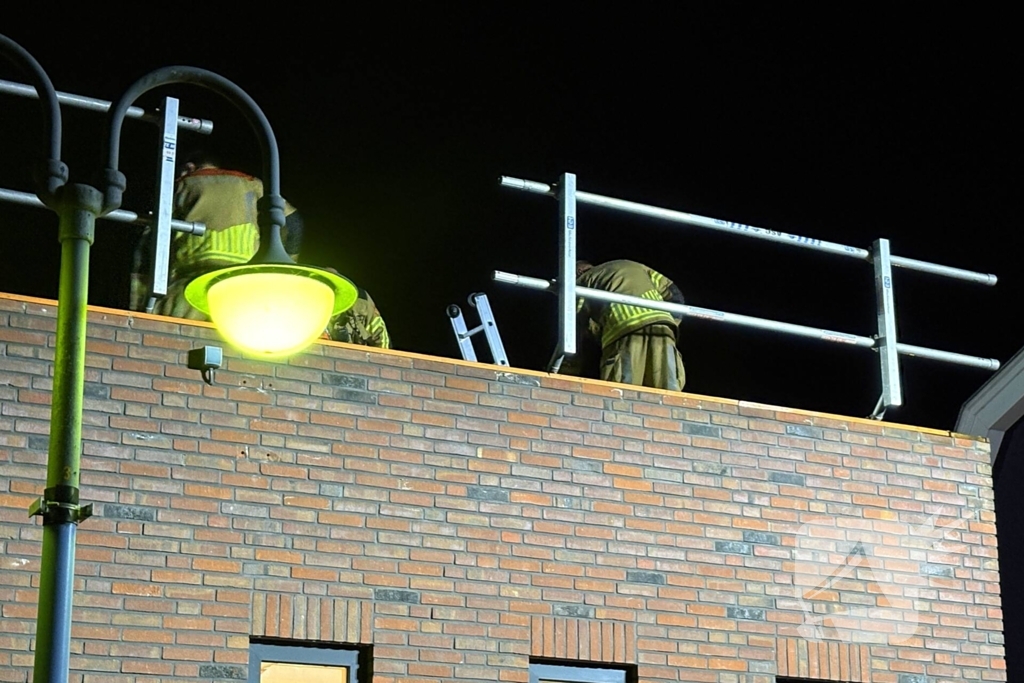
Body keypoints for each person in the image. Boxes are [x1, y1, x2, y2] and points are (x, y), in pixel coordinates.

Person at [129, 150, 303, 319]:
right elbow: (293, 223)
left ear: (190, 167)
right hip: (245, 282)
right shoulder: (252, 184)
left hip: (192, 285)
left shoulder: (180, 185)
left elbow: (149, 245)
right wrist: (285, 264)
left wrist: (138, 304)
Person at [566, 259, 686, 391]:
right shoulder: (632, 265)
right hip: (662, 329)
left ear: (578, 271)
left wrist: (567, 370)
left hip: (624, 331)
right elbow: (674, 294)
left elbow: (575, 328)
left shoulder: (584, 280)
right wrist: (670, 321)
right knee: (667, 387)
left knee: (623, 390)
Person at [324, 283, 391, 349]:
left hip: (359, 356)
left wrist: (380, 357)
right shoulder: (317, 306)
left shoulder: (362, 303)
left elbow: (381, 339)